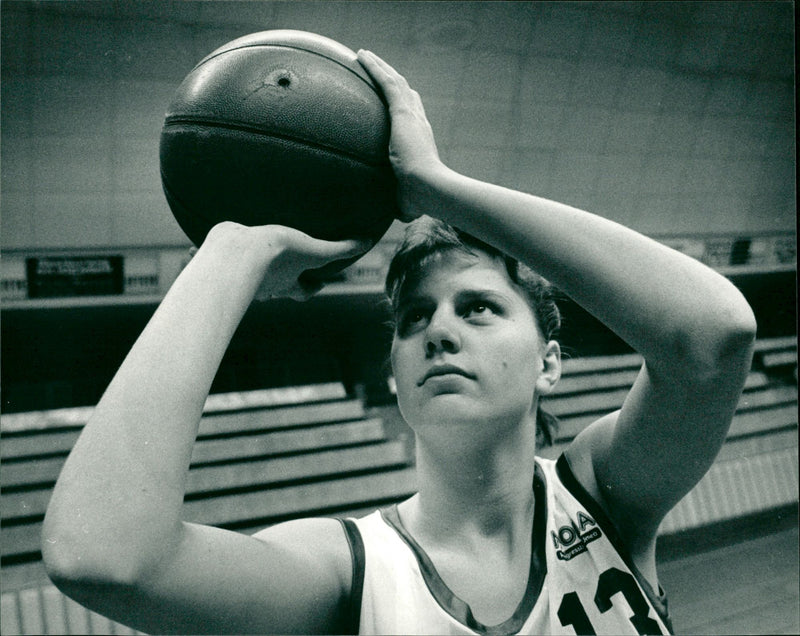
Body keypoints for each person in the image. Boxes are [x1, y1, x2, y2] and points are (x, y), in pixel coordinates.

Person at [42, 50, 756, 635]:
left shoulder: (604, 498)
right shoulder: (346, 571)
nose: (438, 329)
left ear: (550, 361)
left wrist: (436, 187)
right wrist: (236, 244)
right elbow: (105, 557)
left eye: (478, 308)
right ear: (394, 376)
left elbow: (714, 336)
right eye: (413, 319)